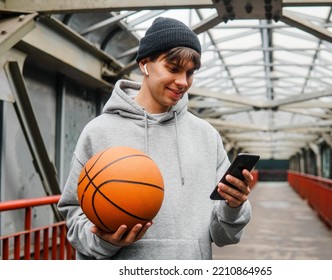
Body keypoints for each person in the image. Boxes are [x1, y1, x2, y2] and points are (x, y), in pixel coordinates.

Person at [57, 17, 253, 260]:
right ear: (144, 64)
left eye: (190, 73)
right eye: (173, 69)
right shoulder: (99, 132)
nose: (183, 82)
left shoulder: (206, 136)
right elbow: (74, 218)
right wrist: (101, 240)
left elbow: (223, 236)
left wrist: (233, 207)